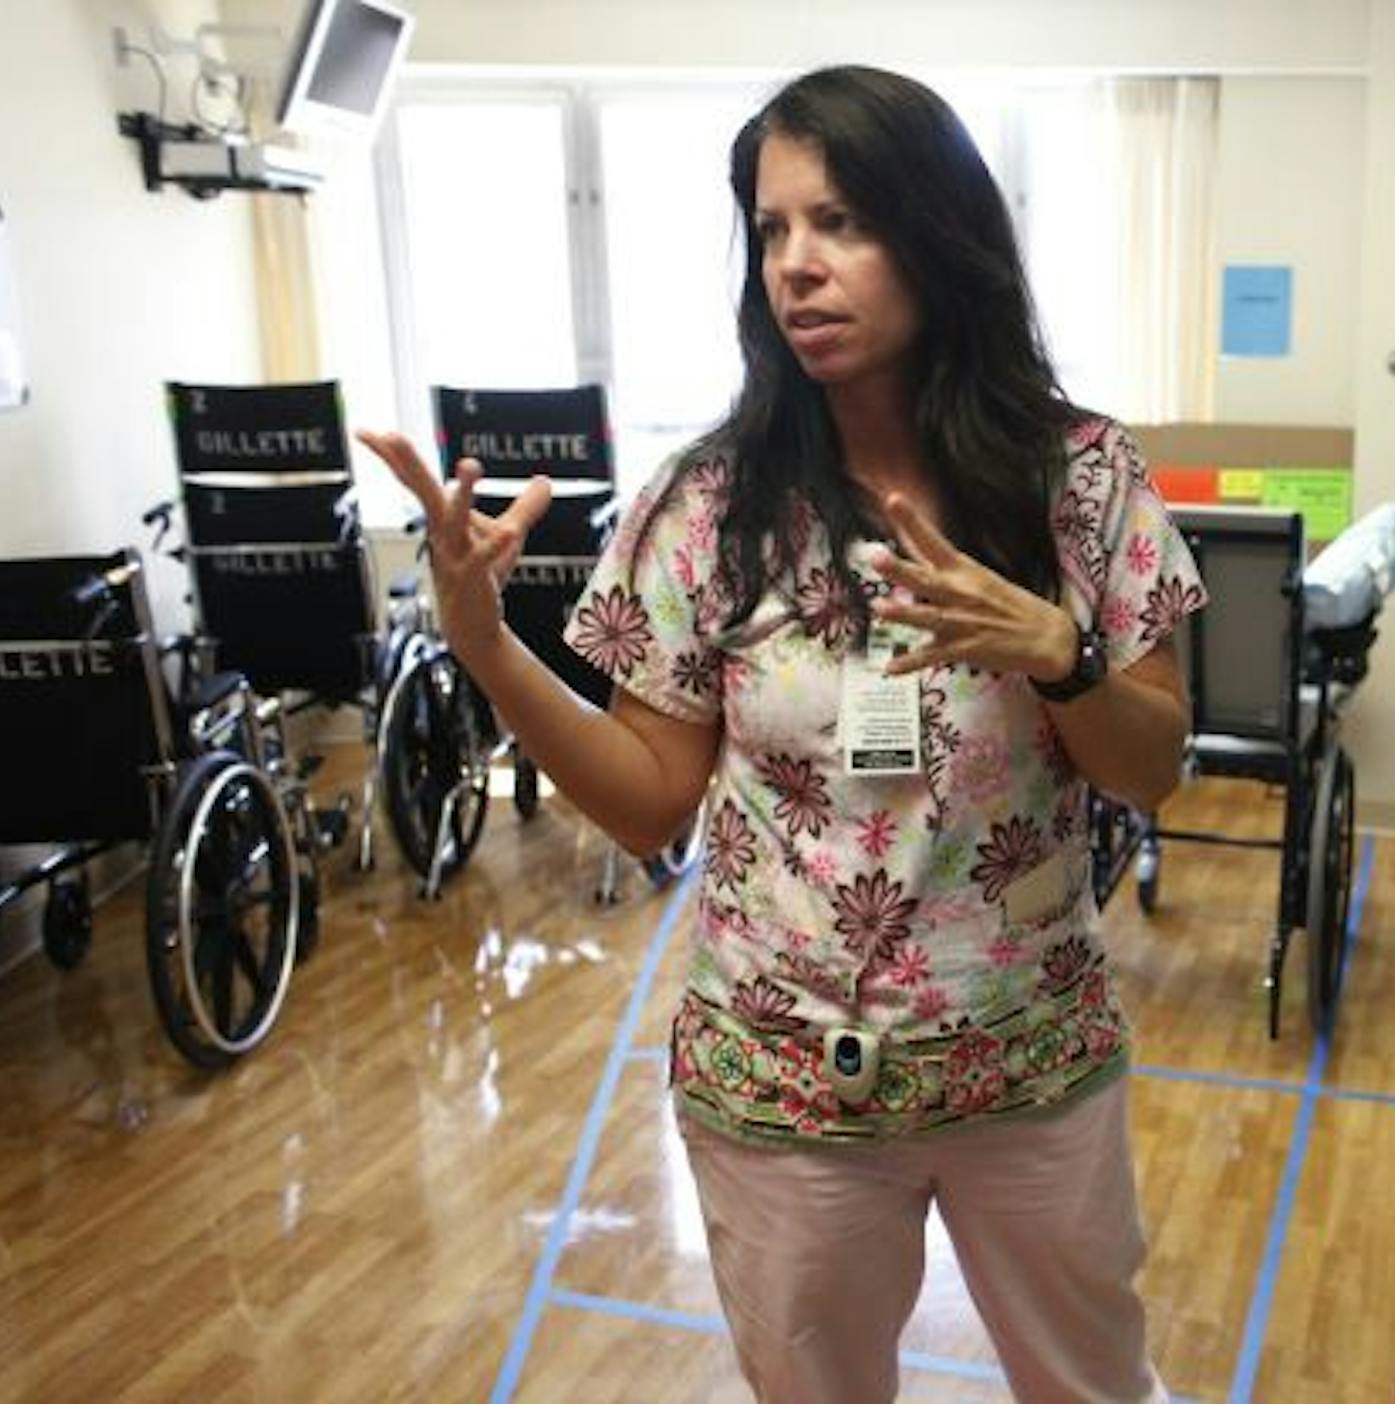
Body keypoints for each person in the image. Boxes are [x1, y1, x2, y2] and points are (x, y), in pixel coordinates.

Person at [360, 65, 1206, 1404]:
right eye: (772, 230)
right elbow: (647, 806)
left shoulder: (1079, 479)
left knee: (1093, 1384)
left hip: (1028, 1065)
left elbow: (1150, 768)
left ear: (939, 233)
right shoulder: (706, 505)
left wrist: (1061, 654)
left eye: (844, 222)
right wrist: (486, 649)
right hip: (784, 1083)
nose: (798, 267)